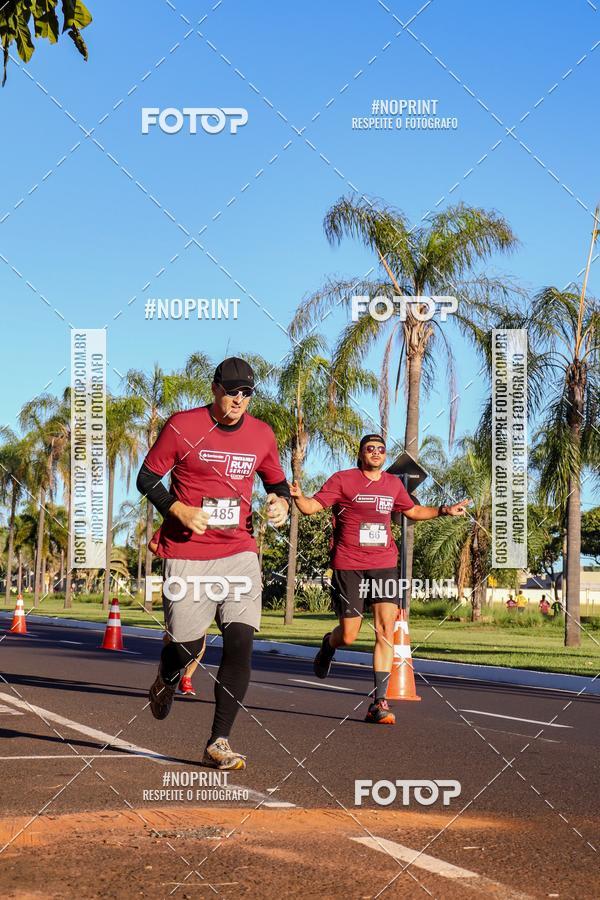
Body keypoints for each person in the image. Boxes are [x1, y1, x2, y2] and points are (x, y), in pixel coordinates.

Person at [136, 357, 290, 770]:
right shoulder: (182, 426)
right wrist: (178, 510)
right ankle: (166, 677)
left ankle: (218, 741)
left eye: (247, 392)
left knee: (240, 640)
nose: (239, 399)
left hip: (239, 551)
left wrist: (279, 503)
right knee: (185, 647)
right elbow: (146, 478)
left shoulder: (262, 434)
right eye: (232, 390)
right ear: (215, 388)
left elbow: (275, 481)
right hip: (188, 553)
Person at [289, 434, 470, 725]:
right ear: (360, 454)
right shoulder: (342, 480)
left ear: (385, 456)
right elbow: (313, 507)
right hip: (349, 565)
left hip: (384, 563)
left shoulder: (392, 484)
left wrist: (444, 510)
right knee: (348, 635)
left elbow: (411, 511)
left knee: (386, 629)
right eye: (370, 449)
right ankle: (328, 645)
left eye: (381, 450)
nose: (376, 453)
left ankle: (379, 702)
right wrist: (299, 498)